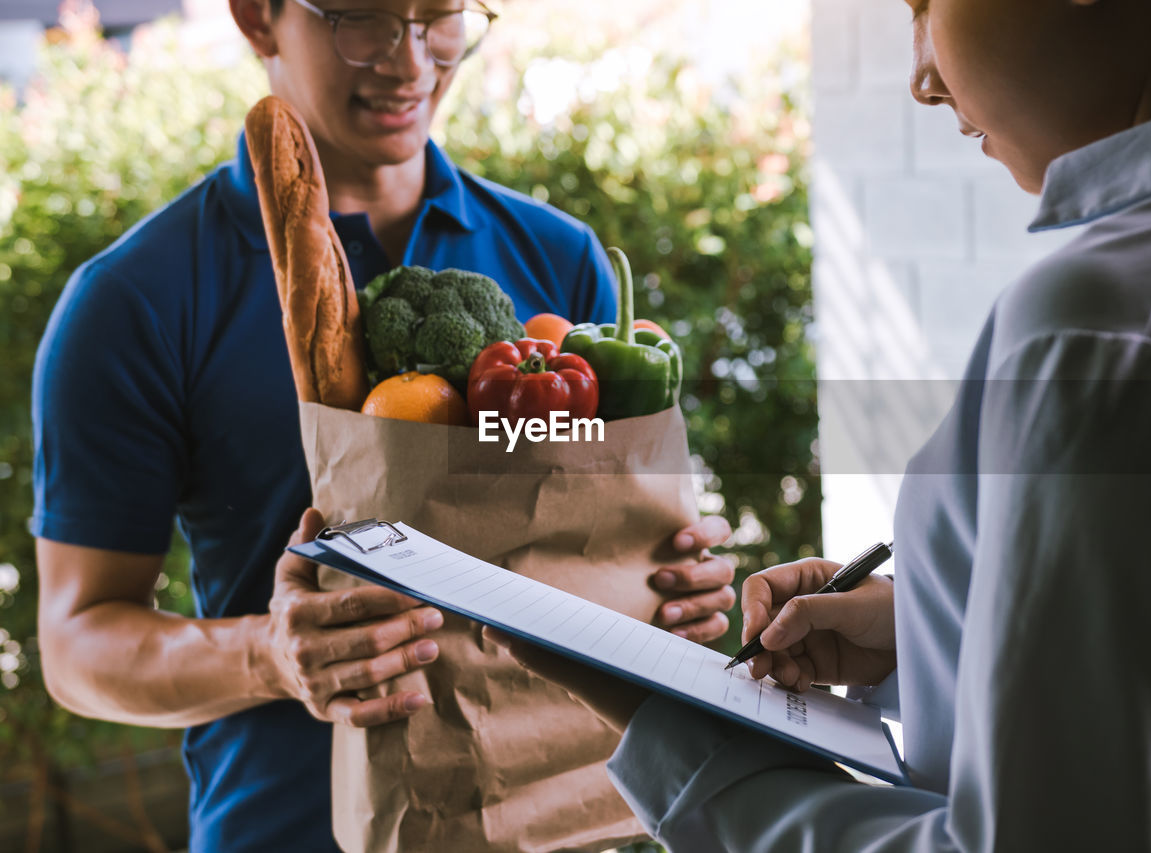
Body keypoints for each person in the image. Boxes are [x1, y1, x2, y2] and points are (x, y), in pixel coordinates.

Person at [495, 0, 1151, 849]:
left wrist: (678, 729)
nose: (921, 79)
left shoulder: (1113, 332)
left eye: (921, 4)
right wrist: (933, 632)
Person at [30, 1, 736, 850]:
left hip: (564, 824)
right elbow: (78, 645)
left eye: (441, 17)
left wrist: (672, 587)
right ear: (258, 18)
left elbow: (603, 546)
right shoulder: (136, 301)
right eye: (362, 18)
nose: (411, 63)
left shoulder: (559, 261)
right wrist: (272, 655)